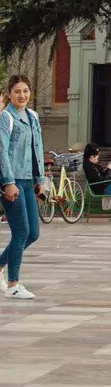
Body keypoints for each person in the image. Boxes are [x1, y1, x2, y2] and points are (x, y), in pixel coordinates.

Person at [1, 74, 48, 299]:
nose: (22, 95)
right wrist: (8, 182)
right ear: (9, 93)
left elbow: (37, 149)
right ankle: (13, 284)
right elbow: (1, 152)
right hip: (13, 181)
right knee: (21, 232)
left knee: (33, 234)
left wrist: (41, 182)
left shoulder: (32, 116)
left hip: (29, 180)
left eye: (26, 91)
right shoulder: (6, 118)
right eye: (18, 91)